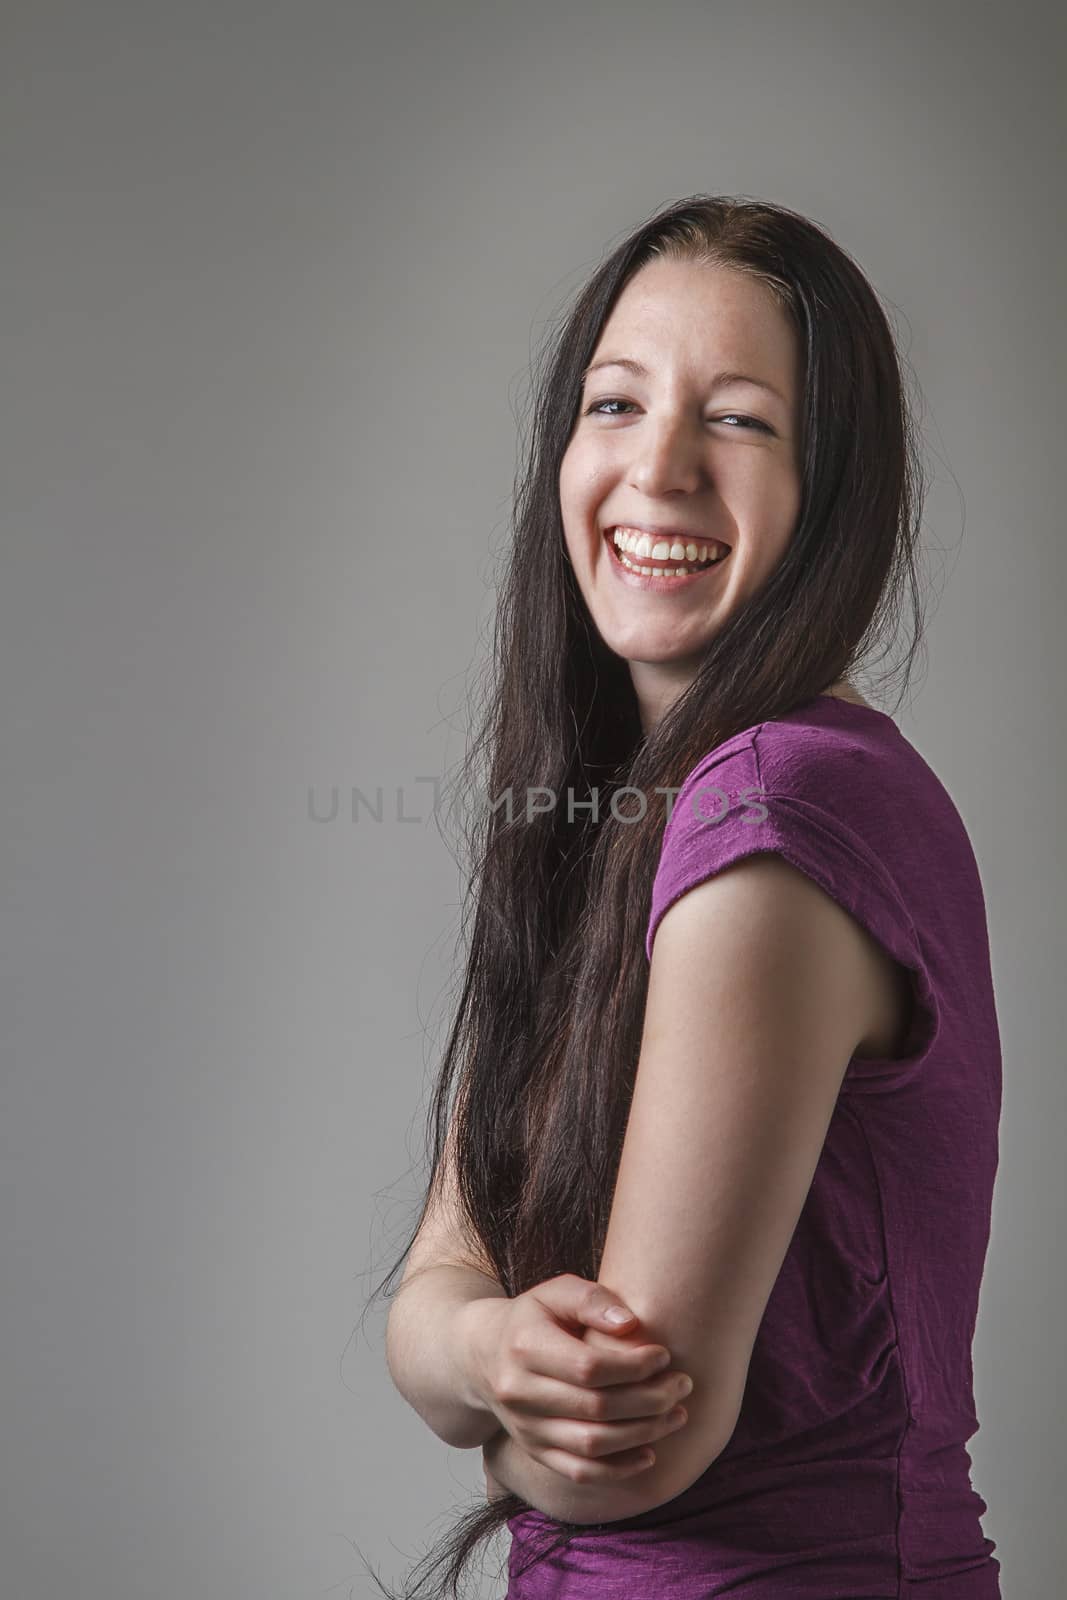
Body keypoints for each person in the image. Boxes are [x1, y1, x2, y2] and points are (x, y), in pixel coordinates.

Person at [371, 195, 1002, 1598]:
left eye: (739, 420)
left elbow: (630, 1456)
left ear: (832, 486)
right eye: (614, 403)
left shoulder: (776, 812)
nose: (656, 467)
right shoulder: (606, 818)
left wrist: (488, 1424)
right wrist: (485, 1355)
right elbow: (429, 1308)